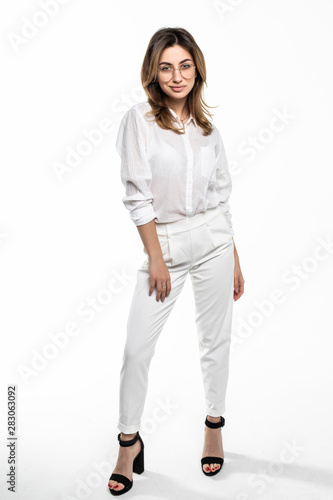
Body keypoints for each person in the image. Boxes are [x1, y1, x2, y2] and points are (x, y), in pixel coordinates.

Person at [108, 27, 245, 495]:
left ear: (197, 69)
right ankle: (129, 442)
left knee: (215, 341)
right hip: (162, 246)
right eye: (166, 66)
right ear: (154, 71)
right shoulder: (140, 121)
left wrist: (236, 260)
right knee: (136, 350)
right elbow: (137, 197)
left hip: (214, 244)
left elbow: (221, 200)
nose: (176, 75)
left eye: (185, 65)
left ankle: (214, 424)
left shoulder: (209, 131)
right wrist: (156, 258)